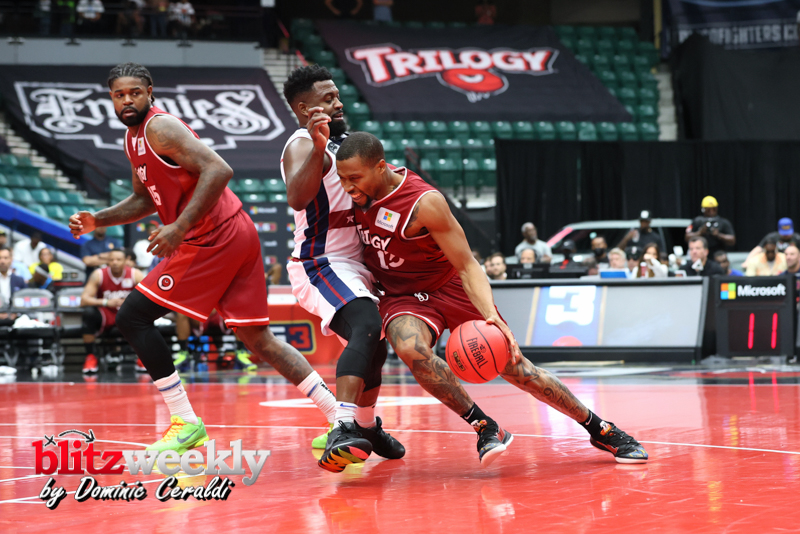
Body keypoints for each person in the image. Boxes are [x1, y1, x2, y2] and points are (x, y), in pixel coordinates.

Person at [69, 62, 339, 455]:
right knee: (257, 339)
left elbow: (219, 168)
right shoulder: (133, 139)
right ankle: (339, 416)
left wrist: (179, 227)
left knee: (132, 316)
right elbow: (145, 200)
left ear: (149, 92)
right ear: (111, 98)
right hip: (234, 231)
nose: (127, 100)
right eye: (119, 95)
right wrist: (100, 219)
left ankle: (185, 422)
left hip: (214, 236)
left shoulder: (160, 128)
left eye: (134, 93)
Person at [337, 132, 648, 465]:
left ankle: (599, 428)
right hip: (402, 296)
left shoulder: (423, 203)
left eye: (355, 178)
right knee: (411, 349)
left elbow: (467, 265)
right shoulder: (348, 197)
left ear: (380, 167)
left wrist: (491, 315)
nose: (347, 186)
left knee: (517, 369)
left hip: (449, 285)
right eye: (342, 178)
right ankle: (484, 426)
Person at [280, 64, 404, 472]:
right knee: (367, 323)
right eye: (328, 98)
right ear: (304, 109)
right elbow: (297, 198)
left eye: (337, 95)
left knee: (376, 343)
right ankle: (342, 426)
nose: (339, 103)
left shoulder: (346, 144)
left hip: (357, 261)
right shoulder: (302, 144)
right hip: (321, 261)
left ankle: (367, 427)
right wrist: (318, 148)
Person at [80, 248, 145, 374]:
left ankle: (143, 358)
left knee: (145, 314)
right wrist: (106, 302)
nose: (115, 262)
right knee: (88, 313)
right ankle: (90, 357)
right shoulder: (98, 274)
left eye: (118, 259)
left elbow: (149, 296)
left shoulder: (135, 274)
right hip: (106, 313)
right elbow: (84, 300)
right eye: (112, 260)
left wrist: (130, 301)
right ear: (107, 261)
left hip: (127, 314)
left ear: (126, 261)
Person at [0, 247, 26, 324]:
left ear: (11, 259)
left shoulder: (19, 280)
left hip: (16, 319)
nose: (2, 261)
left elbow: (26, 300)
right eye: (0, 258)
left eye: (5, 258)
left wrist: (16, 313)